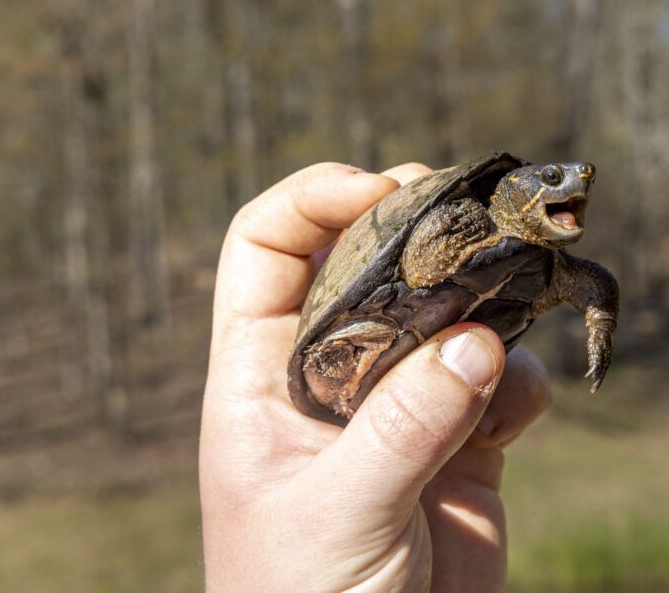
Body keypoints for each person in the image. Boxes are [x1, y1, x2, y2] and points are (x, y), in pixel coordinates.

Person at [200, 162, 554, 592]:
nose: (578, 183)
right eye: (552, 179)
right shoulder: (465, 217)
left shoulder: (542, 256)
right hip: (354, 338)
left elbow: (584, 284)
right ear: (515, 190)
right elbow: (422, 268)